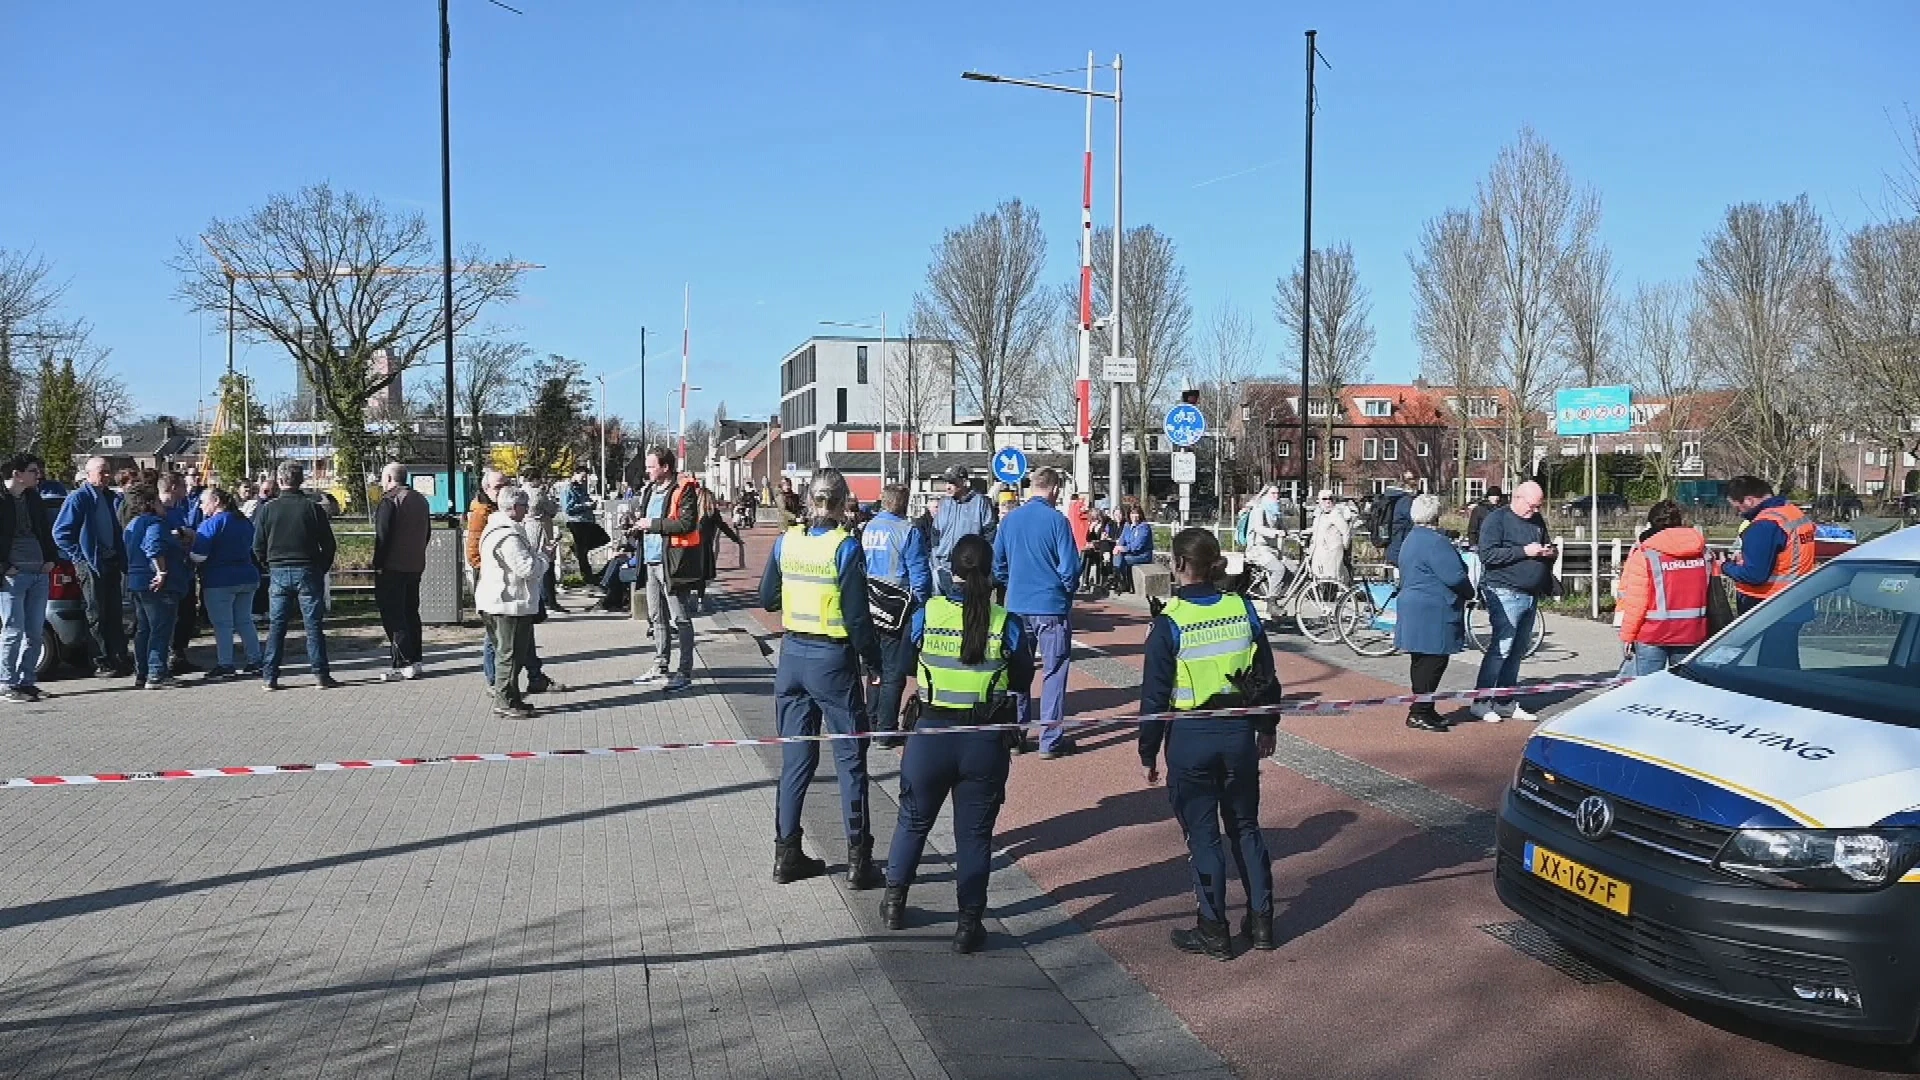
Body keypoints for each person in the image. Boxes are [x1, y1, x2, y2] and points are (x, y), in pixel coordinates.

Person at [879, 533, 1033, 953]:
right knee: (974, 837)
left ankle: (894, 903)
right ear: (990, 571)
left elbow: (908, 659)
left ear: (951, 570)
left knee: (912, 821)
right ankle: (968, 925)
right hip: (984, 741)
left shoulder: (927, 613)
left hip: (930, 736)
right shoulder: (1007, 622)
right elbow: (1021, 679)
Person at [1138, 527, 1281, 960]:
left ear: (1179, 565)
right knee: (1246, 827)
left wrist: (1147, 751)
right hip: (1239, 734)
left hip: (1191, 739)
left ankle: (1214, 929)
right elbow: (1266, 676)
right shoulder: (1243, 609)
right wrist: (1267, 725)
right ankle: (1262, 924)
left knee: (1204, 837)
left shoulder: (1169, 623)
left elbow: (1154, 696)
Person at [758, 468, 887, 889]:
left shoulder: (786, 542)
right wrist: (873, 660)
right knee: (850, 758)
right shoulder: (845, 547)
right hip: (832, 658)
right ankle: (857, 859)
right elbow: (856, 615)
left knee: (796, 760)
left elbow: (765, 597)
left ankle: (786, 853)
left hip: (792, 655)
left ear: (810, 500)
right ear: (841, 502)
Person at [992, 467, 1081, 759]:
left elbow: (998, 565)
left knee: (1018, 671)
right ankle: (1050, 739)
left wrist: (1012, 585)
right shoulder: (1058, 521)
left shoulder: (1010, 520)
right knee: (1054, 671)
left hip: (1017, 605)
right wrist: (1064, 593)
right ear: (1054, 489)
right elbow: (1070, 568)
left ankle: (1017, 734)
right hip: (1050, 605)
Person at [1472, 480, 1555, 723]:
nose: (1536, 511)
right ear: (1518, 499)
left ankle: (1505, 700)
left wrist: (1550, 552)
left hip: (1531, 593)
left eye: (1539, 506)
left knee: (1518, 650)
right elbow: (1487, 555)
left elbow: (1545, 543)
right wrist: (1524, 552)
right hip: (1504, 590)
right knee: (1502, 647)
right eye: (1532, 506)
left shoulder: (1537, 521)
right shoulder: (1496, 520)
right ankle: (1481, 700)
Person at [1393, 494, 1476, 732]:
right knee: (1434, 660)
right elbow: (1454, 576)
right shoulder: (1435, 542)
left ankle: (1425, 709)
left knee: (1420, 661)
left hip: (1413, 606)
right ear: (1436, 515)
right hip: (1433, 610)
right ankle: (1419, 712)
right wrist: (1469, 592)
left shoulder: (1411, 539)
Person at [253, 462, 337, 691]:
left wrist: (268, 564)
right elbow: (328, 544)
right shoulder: (312, 508)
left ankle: (269, 677)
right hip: (308, 569)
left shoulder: (268, 509)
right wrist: (321, 567)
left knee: (277, 627)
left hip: (279, 570)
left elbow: (257, 545)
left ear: (280, 481)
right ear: (301, 481)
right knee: (313, 626)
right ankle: (321, 675)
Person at [862, 483, 932, 746]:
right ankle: (886, 729)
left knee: (874, 668)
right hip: (896, 607)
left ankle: (870, 721)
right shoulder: (907, 531)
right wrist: (921, 605)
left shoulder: (869, 528)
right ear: (903, 504)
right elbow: (919, 575)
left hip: (869, 603)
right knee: (894, 671)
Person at [628, 447, 703, 691]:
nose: (647, 471)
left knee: (680, 617)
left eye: (651, 467)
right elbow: (648, 520)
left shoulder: (684, 490)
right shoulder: (649, 490)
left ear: (665, 468)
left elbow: (686, 523)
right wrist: (637, 526)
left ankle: (684, 671)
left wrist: (653, 524)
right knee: (656, 616)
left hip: (671, 562)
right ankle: (660, 664)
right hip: (650, 560)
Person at [53, 456, 132, 677]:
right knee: (95, 613)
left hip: (111, 562)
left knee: (114, 613)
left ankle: (118, 657)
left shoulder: (110, 498)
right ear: (88, 474)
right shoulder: (78, 499)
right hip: (91, 565)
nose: (106, 476)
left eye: (108, 471)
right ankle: (101, 661)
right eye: (101, 472)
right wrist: (80, 557)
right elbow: (61, 534)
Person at [1616, 499, 1711, 676]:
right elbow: (1713, 594)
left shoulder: (1645, 554)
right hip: (1691, 631)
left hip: (1653, 633)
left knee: (1647, 691)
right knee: (1683, 691)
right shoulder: (1703, 553)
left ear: (1651, 525)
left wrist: (1627, 635)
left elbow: (1637, 602)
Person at [477, 485, 548, 718]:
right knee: (509, 654)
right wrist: (544, 559)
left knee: (508, 653)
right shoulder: (508, 535)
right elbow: (526, 568)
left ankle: (512, 697)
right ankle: (505, 701)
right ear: (514, 507)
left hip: (497, 601)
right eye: (524, 506)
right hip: (508, 603)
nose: (527, 510)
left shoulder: (494, 528)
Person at [1, 454, 58, 702]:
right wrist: (3, 567)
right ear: (17, 474)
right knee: (13, 630)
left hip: (38, 571)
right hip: (13, 576)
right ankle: (6, 682)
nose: (38, 475)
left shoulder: (33, 498)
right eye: (33, 471)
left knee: (34, 632)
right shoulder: (2, 500)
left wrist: (50, 559)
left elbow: (45, 530)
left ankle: (27, 681)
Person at [189, 486, 262, 680]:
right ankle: (256, 661)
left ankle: (225, 664)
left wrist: (187, 544)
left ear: (216, 502)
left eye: (204, 502)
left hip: (219, 579)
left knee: (222, 625)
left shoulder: (211, 524)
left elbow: (198, 556)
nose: (201, 507)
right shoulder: (243, 522)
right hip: (247, 575)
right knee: (245, 621)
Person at [121, 484, 190, 690]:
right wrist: (161, 571)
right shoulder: (154, 523)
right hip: (157, 585)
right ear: (150, 504)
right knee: (161, 628)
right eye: (159, 502)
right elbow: (153, 546)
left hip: (137, 581)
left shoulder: (132, 524)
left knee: (144, 629)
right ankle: (157, 672)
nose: (163, 507)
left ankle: (142, 672)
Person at [1720, 475, 1815, 615]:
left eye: (1737, 508)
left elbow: (1754, 575)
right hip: (1796, 599)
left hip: (1766, 606)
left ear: (1749, 500)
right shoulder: (1793, 512)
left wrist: (1725, 566)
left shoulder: (1764, 525)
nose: (1738, 513)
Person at [373, 462, 432, 680]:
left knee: (393, 616)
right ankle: (416, 660)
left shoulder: (390, 501)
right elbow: (427, 533)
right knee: (411, 613)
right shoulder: (421, 500)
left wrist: (377, 565)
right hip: (415, 565)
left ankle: (402, 662)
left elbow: (382, 537)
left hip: (392, 567)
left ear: (389, 478)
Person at [159, 471, 202, 673]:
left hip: (184, 570)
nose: (187, 490)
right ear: (174, 488)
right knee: (169, 617)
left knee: (187, 615)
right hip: (169, 572)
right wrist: (184, 534)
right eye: (183, 486)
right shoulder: (160, 510)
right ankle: (166, 658)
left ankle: (179, 654)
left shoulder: (178, 509)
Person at [931, 465, 995, 596]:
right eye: (947, 483)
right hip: (943, 568)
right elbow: (935, 533)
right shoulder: (944, 503)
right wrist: (935, 560)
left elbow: (990, 536)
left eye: (953, 483)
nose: (948, 487)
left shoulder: (980, 503)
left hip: (969, 570)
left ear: (965, 482)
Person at [694, 481, 744, 613]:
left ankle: (689, 598)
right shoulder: (712, 514)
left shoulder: (694, 513)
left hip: (693, 546)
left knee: (694, 574)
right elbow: (724, 527)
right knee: (703, 577)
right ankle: (700, 600)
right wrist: (736, 539)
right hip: (705, 547)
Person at [560, 467, 606, 581]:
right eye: (582, 476)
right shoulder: (568, 488)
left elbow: (585, 499)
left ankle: (587, 571)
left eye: (586, 477)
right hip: (576, 522)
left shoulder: (581, 487)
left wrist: (592, 504)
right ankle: (587, 575)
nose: (584, 479)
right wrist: (586, 506)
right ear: (575, 474)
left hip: (586, 522)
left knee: (602, 539)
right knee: (582, 551)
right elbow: (567, 508)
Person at [1243, 484, 1287, 601]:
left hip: (1272, 549)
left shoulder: (1275, 510)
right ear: (1266, 495)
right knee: (1279, 569)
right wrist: (1276, 532)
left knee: (1292, 568)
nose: (1276, 496)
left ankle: (1278, 594)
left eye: (1278, 494)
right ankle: (1272, 603)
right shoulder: (1259, 509)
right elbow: (1258, 528)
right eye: (1273, 493)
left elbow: (1283, 528)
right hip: (1258, 549)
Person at [1307, 489, 1352, 583]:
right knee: (1319, 577)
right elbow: (1316, 529)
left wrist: (1344, 547)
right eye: (1324, 499)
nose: (1328, 501)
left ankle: (1337, 596)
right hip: (1319, 552)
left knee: (1333, 578)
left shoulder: (1335, 514)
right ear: (1319, 501)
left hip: (1332, 552)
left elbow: (1345, 531)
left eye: (1330, 499)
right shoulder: (1319, 515)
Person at [1112, 505, 1154, 594]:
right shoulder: (1127, 525)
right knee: (1117, 555)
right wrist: (1118, 547)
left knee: (1123, 559)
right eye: (1132, 514)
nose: (1134, 516)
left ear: (1140, 515)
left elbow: (1137, 547)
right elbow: (1122, 539)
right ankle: (1120, 581)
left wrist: (1123, 548)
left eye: (1136, 514)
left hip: (1142, 555)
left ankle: (1120, 581)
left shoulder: (1144, 527)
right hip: (1130, 552)